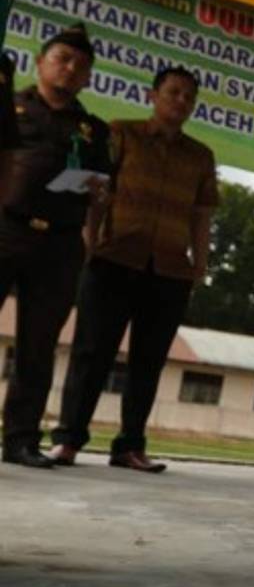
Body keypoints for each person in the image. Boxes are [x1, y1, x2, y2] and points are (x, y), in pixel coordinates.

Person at [46, 66, 216, 473]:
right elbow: (96, 191)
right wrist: (90, 243)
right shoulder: (121, 134)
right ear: (152, 96)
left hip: (171, 269)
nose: (181, 101)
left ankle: (130, 446)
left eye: (189, 96)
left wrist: (200, 264)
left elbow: (201, 215)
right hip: (113, 258)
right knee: (91, 352)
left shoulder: (200, 156)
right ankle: (68, 439)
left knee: (149, 360)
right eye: (173, 92)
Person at [1, 23, 110, 468]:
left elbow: (102, 188)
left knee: (39, 343)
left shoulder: (93, 129)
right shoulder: (10, 106)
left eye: (81, 65)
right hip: (6, 228)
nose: (70, 68)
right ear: (39, 62)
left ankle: (21, 439)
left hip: (60, 243)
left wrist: (92, 233)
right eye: (62, 58)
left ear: (88, 78)